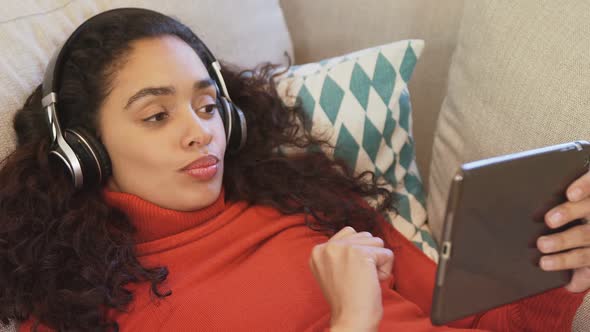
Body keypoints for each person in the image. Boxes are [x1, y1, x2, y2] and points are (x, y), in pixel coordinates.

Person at [1, 7, 589, 332]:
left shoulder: (309, 200)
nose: (200, 130)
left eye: (209, 105)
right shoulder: (76, 314)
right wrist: (354, 317)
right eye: (156, 115)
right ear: (81, 149)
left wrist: (552, 278)